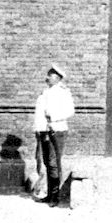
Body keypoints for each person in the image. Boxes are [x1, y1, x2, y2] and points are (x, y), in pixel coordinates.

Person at [33, 65, 75, 206]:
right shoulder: (45, 92)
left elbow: (70, 111)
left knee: (54, 163)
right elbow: (40, 113)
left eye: (50, 76)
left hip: (57, 130)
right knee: (47, 162)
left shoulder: (63, 92)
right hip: (44, 131)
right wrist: (38, 129)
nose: (47, 78)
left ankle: (55, 196)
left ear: (57, 78)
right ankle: (50, 194)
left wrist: (54, 117)